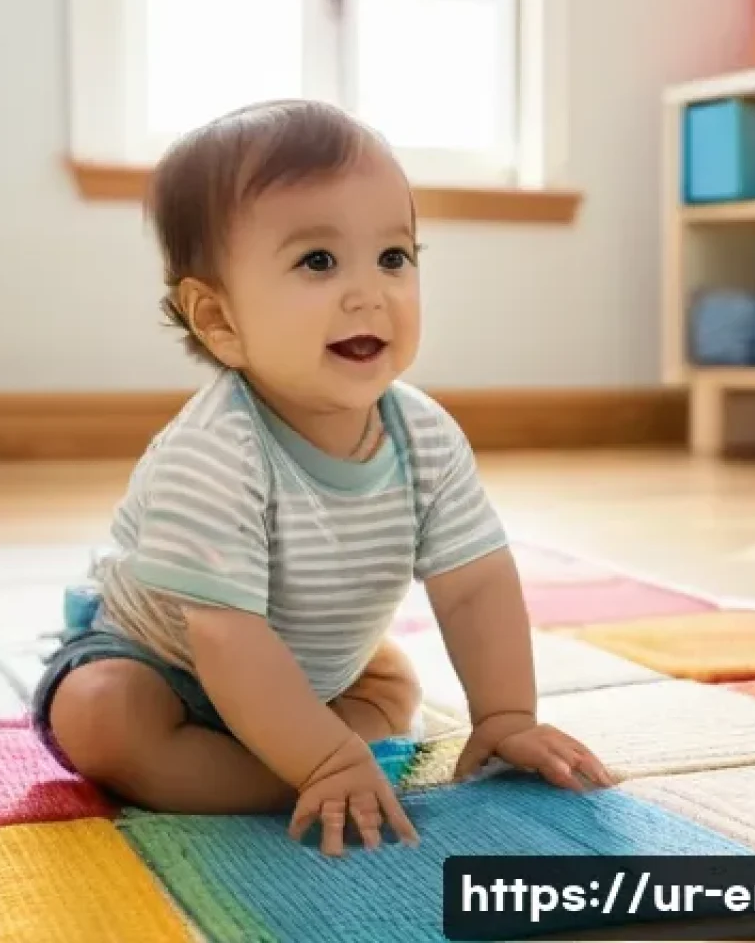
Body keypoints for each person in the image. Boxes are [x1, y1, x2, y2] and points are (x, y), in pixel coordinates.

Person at [32, 99, 612, 857]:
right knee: (102, 717)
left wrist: (506, 717)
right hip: (171, 669)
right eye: (318, 262)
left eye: (394, 258)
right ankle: (297, 774)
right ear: (220, 321)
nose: (370, 292)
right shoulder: (214, 451)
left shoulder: (425, 436)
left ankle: (302, 755)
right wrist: (328, 760)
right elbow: (227, 640)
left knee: (389, 684)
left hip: (313, 673)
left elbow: (474, 585)